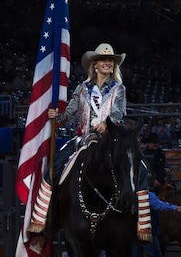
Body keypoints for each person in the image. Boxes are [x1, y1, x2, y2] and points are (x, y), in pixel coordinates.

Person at [28, 42, 152, 241]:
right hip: (85, 139)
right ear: (94, 64)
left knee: (142, 169)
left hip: (111, 138)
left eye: (110, 60)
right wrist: (57, 116)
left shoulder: (118, 88)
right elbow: (70, 112)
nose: (107, 63)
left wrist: (106, 123)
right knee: (55, 166)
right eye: (103, 60)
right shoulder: (82, 89)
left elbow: (119, 111)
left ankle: (142, 223)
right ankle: (44, 219)